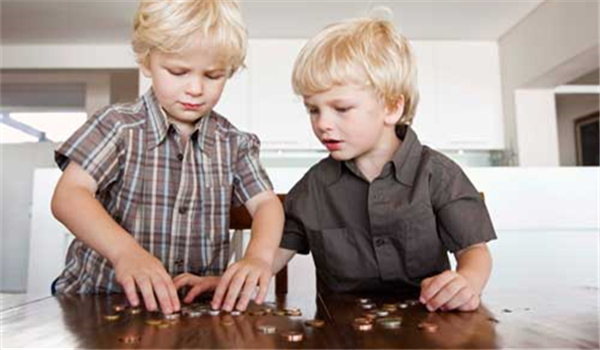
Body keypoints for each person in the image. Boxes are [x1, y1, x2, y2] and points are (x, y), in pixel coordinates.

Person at [51, 0, 284, 314]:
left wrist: (258, 257)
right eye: (178, 71)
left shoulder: (234, 143)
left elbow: (267, 204)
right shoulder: (118, 126)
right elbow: (68, 196)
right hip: (98, 302)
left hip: (191, 309)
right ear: (147, 63)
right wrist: (126, 253)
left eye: (213, 76)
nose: (196, 88)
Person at [271, 17, 497, 312]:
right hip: (340, 334)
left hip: (428, 325)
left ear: (392, 107)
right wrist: (242, 273)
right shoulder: (314, 186)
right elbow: (272, 254)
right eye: (313, 109)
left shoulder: (438, 175)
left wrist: (467, 280)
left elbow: (474, 250)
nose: (322, 124)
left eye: (341, 108)